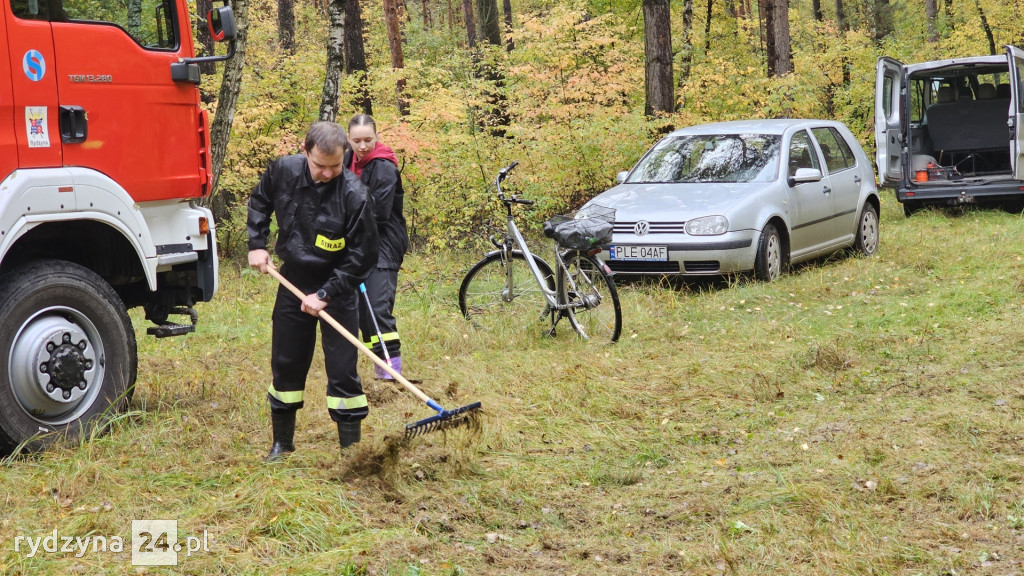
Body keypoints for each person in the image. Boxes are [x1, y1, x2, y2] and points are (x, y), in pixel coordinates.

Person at [247, 121, 379, 461]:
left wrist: (326, 293)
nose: (327, 173)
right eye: (320, 165)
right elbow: (260, 202)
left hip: (339, 285)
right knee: (286, 361)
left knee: (342, 368)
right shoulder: (283, 170)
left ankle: (351, 452)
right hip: (293, 280)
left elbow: (363, 255)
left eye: (335, 166)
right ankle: (282, 444)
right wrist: (257, 244)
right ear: (305, 150)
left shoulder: (355, 194)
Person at [345, 114, 409, 379]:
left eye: (368, 140)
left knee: (377, 307)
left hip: (384, 242)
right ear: (348, 139)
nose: (362, 146)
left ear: (377, 137)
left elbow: (378, 214)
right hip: (357, 240)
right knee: (363, 309)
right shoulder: (345, 160)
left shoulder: (383, 166)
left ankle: (390, 372)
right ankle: (380, 365)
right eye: (357, 140)